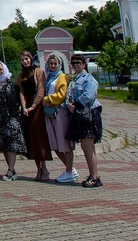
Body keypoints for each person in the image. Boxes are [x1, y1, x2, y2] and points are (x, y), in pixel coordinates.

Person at [65, 54, 103, 188]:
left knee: (87, 146)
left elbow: (89, 94)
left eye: (78, 62)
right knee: (89, 147)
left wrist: (75, 103)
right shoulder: (74, 79)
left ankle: (94, 177)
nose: (76, 65)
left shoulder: (88, 78)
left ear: (84, 64)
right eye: (73, 63)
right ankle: (94, 175)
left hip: (89, 114)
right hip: (80, 115)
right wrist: (68, 105)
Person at [0, 61, 26, 180]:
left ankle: (10, 170)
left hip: (11, 118)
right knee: (3, 145)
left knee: (11, 144)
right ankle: (11, 169)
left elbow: (18, 99)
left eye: (0, 69)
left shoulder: (12, 85)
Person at [17, 50, 51, 180]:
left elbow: (41, 90)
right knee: (30, 139)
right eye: (22, 60)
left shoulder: (39, 72)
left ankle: (45, 169)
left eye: (27, 59)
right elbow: (21, 92)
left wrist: (32, 106)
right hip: (26, 109)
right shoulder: (20, 75)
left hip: (37, 108)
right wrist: (24, 107)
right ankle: (38, 169)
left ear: (30, 59)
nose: (25, 62)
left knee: (39, 138)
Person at [42, 53, 75, 183]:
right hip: (50, 113)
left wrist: (47, 99)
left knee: (64, 143)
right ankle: (70, 168)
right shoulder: (49, 77)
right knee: (54, 144)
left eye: (55, 63)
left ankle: (69, 171)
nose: (53, 66)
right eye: (51, 64)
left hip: (59, 113)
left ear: (60, 64)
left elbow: (61, 95)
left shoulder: (61, 77)